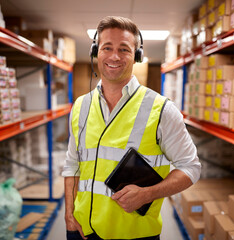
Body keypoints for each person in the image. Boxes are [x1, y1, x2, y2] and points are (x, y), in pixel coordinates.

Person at [62, 16, 201, 240]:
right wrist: (69, 213)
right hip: (82, 231)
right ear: (96, 52)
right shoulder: (81, 106)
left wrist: (148, 194)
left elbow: (191, 167)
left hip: (134, 234)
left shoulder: (161, 109)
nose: (114, 56)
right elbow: (72, 165)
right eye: (107, 47)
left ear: (137, 56)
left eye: (124, 49)